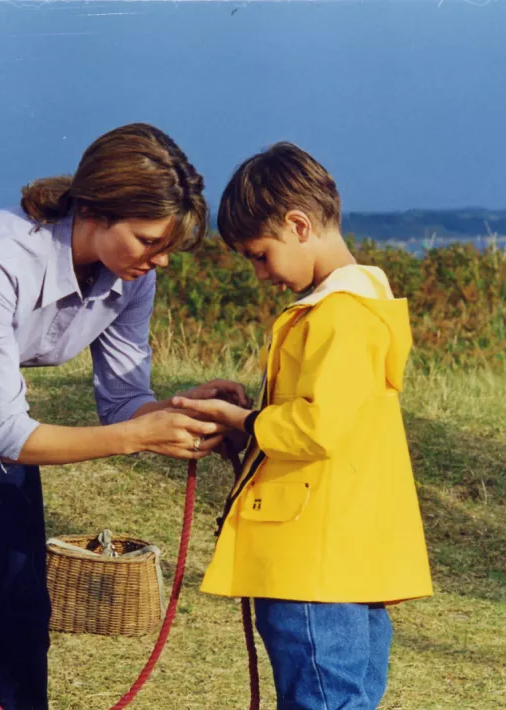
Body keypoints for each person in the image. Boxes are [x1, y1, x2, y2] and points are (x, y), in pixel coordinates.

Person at [0, 122, 247, 710]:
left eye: (167, 246)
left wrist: (181, 410)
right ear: (95, 210)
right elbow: (9, 435)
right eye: (147, 240)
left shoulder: (132, 279)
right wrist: (137, 436)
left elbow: (122, 401)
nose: (159, 260)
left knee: (21, 600)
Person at [172, 142, 433, 709]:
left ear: (298, 225)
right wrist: (247, 427)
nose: (260, 273)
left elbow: (317, 428)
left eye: (260, 255)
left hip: (312, 563)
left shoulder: (340, 316)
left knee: (322, 697)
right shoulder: (361, 306)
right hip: (347, 554)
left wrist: (244, 419)